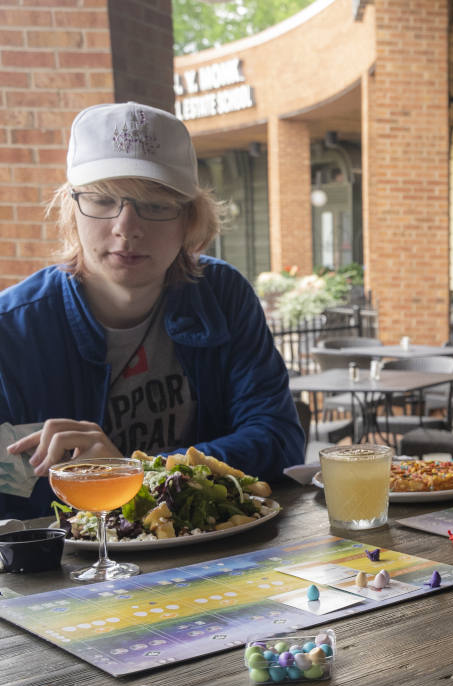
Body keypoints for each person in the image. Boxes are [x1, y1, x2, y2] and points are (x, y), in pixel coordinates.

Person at [0, 102, 303, 519]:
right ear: (72, 209)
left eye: (156, 204)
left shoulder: (221, 295)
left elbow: (278, 438)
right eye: (103, 200)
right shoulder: (13, 330)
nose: (126, 227)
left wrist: (134, 473)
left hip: (213, 555)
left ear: (190, 220)